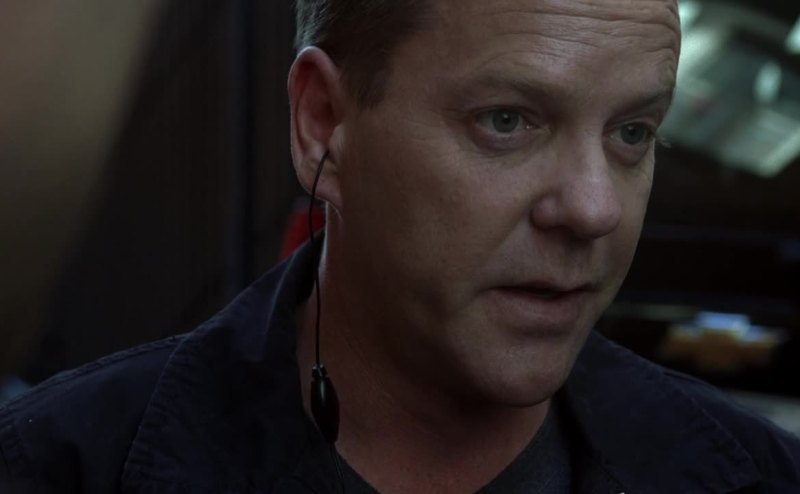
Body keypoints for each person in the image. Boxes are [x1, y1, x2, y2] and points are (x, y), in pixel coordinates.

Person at [1, 0, 798, 492]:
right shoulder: (52, 467)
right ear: (323, 124)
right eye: (507, 121)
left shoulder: (761, 478)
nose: (594, 209)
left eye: (632, 133)